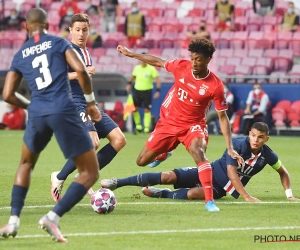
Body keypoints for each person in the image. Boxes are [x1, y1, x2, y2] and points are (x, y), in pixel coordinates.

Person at [0, 8, 101, 242]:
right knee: (90, 171)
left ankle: (13, 221)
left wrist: (30, 106)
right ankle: (52, 217)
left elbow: (7, 94)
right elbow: (81, 71)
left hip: (37, 111)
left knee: (25, 163)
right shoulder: (58, 43)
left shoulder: (21, 53)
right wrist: (91, 104)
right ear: (47, 24)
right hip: (63, 108)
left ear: (26, 26)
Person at [117, 39, 244, 212]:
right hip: (169, 122)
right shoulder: (181, 66)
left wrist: (229, 147)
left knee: (199, 153)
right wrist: (132, 54)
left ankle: (209, 200)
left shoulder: (215, 85)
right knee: (141, 161)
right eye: (192, 58)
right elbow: (158, 61)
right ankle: (164, 153)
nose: (193, 63)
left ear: (208, 59)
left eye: (198, 59)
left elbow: (223, 117)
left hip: (193, 126)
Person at [101, 122, 299, 202]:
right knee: (168, 176)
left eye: (260, 137)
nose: (255, 139)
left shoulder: (268, 156)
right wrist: (247, 196)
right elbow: (231, 172)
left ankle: (163, 194)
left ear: (266, 139)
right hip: (209, 171)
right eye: (254, 135)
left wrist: (289, 195)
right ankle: (119, 182)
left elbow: (283, 172)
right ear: (249, 134)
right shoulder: (237, 144)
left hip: (220, 190)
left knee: (191, 195)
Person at [50, 13, 126, 202]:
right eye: (77, 30)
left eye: (84, 30)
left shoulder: (85, 52)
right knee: (92, 142)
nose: (81, 34)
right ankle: (59, 177)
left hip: (89, 102)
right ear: (70, 31)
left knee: (119, 140)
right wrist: (80, 72)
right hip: (74, 102)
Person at [126, 53, 161, 134]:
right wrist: (128, 84)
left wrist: (158, 90)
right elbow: (133, 77)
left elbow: (157, 80)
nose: (142, 61)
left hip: (147, 91)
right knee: (135, 109)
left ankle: (146, 128)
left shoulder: (151, 69)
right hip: (137, 90)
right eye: (140, 59)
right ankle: (138, 126)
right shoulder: (137, 68)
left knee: (146, 110)